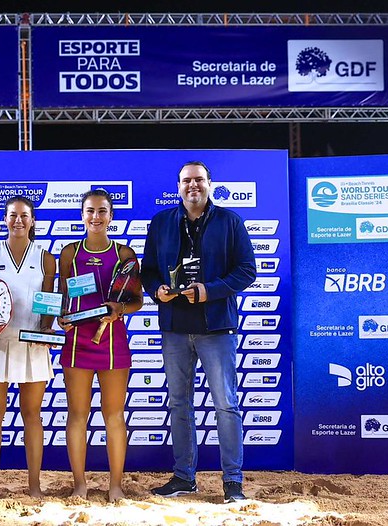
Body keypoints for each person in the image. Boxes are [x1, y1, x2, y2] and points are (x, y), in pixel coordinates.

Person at [141, 161, 256, 504]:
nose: (193, 185)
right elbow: (148, 271)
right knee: (179, 404)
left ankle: (233, 482)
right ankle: (183, 477)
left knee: (226, 405)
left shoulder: (230, 221)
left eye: (199, 180)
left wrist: (210, 290)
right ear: (178, 186)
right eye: (187, 181)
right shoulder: (161, 222)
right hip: (175, 327)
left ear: (210, 184)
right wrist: (156, 290)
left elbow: (247, 271)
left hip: (215, 326)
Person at [57, 189, 143, 502]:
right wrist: (60, 318)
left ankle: (116, 486)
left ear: (111, 216)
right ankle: (80, 485)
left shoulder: (125, 254)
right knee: (77, 415)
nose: (96, 217)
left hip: (113, 342)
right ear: (82, 215)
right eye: (90, 211)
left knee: (114, 415)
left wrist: (119, 310)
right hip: (78, 343)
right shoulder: (68, 253)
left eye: (102, 211)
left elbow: (137, 300)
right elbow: (62, 300)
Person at [0, 196, 56, 499]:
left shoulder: (46, 257)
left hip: (33, 343)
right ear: (4, 219)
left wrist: (47, 328)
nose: (18, 220)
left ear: (32, 220)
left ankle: (34, 485)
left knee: (32, 415)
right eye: (12, 215)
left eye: (24, 216)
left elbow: (49, 303)